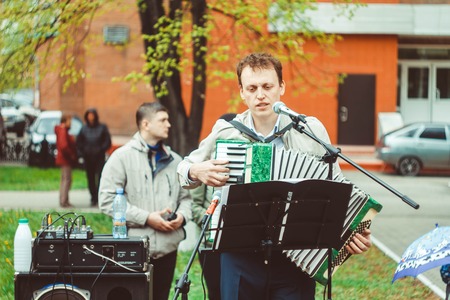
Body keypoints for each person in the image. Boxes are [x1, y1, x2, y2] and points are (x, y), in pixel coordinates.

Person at [177, 52, 372, 299]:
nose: (260, 95)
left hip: (297, 256)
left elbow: (337, 188)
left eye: (268, 86)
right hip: (239, 256)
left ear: (281, 87)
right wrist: (197, 170)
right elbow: (183, 169)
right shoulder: (227, 131)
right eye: (252, 88)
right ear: (242, 92)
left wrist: (353, 229)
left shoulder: (310, 130)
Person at [99, 102, 192, 300]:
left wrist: (182, 217)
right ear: (146, 124)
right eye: (163, 120)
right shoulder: (121, 158)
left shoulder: (175, 161)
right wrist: (147, 218)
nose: (169, 124)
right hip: (133, 248)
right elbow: (106, 200)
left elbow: (186, 198)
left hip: (168, 248)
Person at [191, 113, 237, 300]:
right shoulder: (205, 162)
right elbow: (194, 206)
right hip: (210, 245)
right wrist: (217, 222)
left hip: (237, 246)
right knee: (215, 293)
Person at [76, 108, 112, 207]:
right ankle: (93, 197)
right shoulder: (84, 129)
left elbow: (107, 141)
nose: (91, 117)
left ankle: (100, 197)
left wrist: (100, 149)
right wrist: (82, 153)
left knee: (100, 177)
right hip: (88, 158)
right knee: (90, 178)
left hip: (99, 157)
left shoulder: (102, 128)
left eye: (92, 115)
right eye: (89, 115)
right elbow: (79, 142)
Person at [54, 113, 78, 208]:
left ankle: (64, 200)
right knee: (67, 179)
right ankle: (64, 201)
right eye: (70, 121)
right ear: (65, 121)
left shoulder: (62, 130)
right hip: (65, 159)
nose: (71, 123)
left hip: (63, 159)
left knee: (65, 179)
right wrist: (71, 155)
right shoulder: (63, 130)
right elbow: (64, 145)